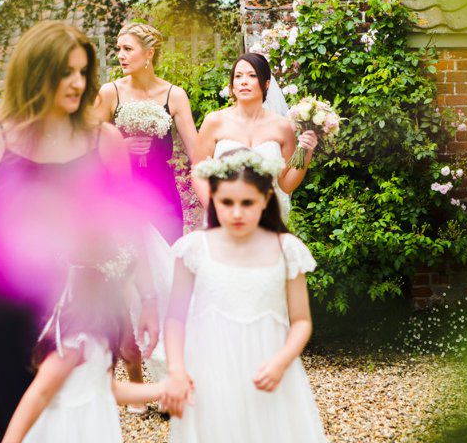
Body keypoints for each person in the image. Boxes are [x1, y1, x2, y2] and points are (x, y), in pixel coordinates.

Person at [0, 21, 160, 440]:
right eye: (66, 71)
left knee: (79, 418)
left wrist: (149, 299)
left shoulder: (105, 140)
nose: (78, 82)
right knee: (16, 421)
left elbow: (128, 229)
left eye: (83, 71)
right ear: (37, 73)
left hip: (82, 303)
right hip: (7, 305)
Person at [163, 149, 328, 442]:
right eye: (227, 202)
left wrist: (281, 362)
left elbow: (301, 320)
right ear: (213, 198)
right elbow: (175, 318)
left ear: (266, 199)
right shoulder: (193, 248)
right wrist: (176, 371)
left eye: (247, 203)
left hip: (269, 367)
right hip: (209, 370)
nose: (236, 212)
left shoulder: (286, 249)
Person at [1, 234, 171, 443]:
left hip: (95, 429)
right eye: (125, 293)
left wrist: (162, 389)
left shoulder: (102, 335)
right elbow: (39, 394)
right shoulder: (77, 340)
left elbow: (107, 388)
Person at [95, 22, 198, 245]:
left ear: (149, 53)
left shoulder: (174, 95)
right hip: (122, 193)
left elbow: (196, 154)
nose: (121, 55)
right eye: (119, 49)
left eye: (128, 49)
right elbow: (90, 148)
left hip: (164, 193)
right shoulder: (110, 93)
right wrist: (120, 146)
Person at [193, 53, 317, 222]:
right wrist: (217, 208)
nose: (244, 81)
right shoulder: (214, 121)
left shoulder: (282, 127)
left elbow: (286, 185)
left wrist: (306, 151)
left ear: (266, 84)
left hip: (267, 217)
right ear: (232, 85)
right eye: (238, 76)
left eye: (252, 75)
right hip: (223, 217)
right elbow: (197, 172)